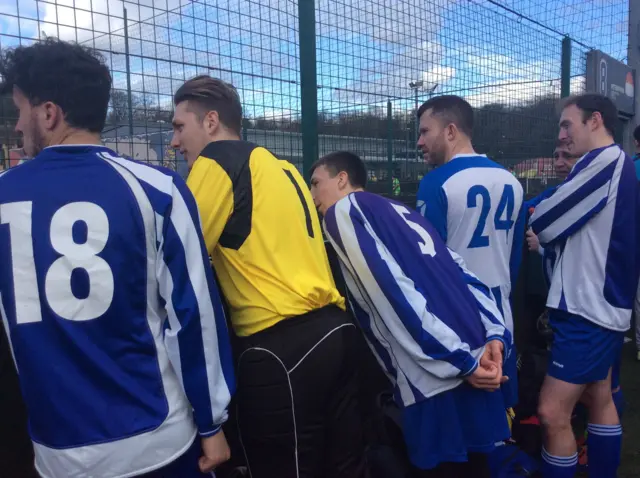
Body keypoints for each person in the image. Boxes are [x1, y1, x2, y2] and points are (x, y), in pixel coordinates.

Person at [0, 38, 235, 478]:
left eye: (21, 110)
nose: (17, 126)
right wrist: (212, 422)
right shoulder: (159, 189)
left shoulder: (4, 195)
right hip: (156, 441)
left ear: (49, 114)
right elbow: (194, 315)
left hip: (57, 451)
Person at [170, 75, 367, 478]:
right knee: (346, 467)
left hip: (281, 349)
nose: (175, 142)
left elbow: (179, 260)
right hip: (338, 334)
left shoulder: (217, 160)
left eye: (178, 127)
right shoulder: (284, 168)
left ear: (210, 122)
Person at [309, 151, 512, 478]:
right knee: (478, 468)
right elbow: (463, 272)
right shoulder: (403, 211)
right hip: (474, 350)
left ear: (342, 179)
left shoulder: (343, 211)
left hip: (437, 374)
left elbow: (391, 291)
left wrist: (461, 361)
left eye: (317, 183)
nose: (313, 194)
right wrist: (493, 335)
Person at [529, 93, 638, 478]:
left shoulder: (604, 161)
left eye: (566, 124)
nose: (561, 135)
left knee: (552, 411)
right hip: (602, 304)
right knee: (599, 396)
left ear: (595, 121)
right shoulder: (613, 163)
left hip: (586, 308)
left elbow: (547, 219)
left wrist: (542, 222)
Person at [415, 95, 524, 411]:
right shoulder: (511, 180)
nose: (419, 141)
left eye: (425, 132)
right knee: (503, 404)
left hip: (459, 315)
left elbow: (428, 264)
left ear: (450, 131)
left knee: (469, 413)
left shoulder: (436, 183)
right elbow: (514, 259)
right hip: (502, 312)